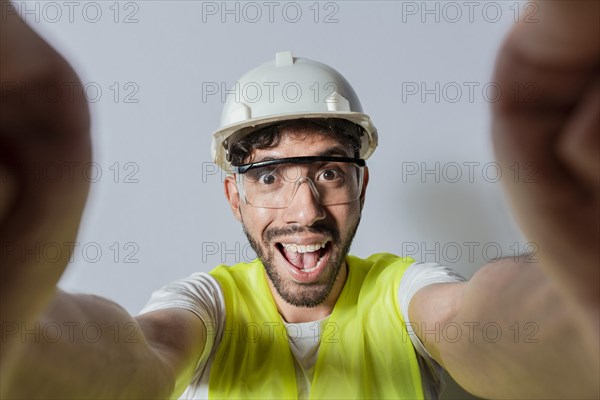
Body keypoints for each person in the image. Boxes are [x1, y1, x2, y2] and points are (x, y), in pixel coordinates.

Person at [1, 0, 598, 398]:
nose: (306, 211)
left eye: (330, 174)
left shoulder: (404, 292)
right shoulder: (209, 306)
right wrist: (11, 321)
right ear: (234, 197)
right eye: (269, 178)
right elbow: (137, 355)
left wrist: (581, 301)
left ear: (361, 186)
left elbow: (476, 324)